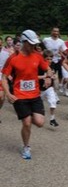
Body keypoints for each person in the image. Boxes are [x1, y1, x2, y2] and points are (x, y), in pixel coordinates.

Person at [2, 29, 53, 159]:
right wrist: (8, 94)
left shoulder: (37, 55)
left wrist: (48, 77)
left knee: (40, 123)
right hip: (20, 95)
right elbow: (4, 78)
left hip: (35, 95)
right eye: (31, 44)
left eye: (35, 44)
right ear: (24, 42)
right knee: (27, 122)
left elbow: (47, 68)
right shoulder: (13, 58)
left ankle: (28, 115)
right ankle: (26, 147)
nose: (34, 47)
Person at [43, 27, 68, 94]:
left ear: (59, 33)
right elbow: (41, 47)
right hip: (49, 61)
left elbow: (65, 50)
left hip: (57, 60)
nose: (55, 33)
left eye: (57, 31)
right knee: (51, 75)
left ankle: (59, 86)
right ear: (52, 32)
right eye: (54, 31)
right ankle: (51, 90)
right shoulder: (46, 40)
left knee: (60, 74)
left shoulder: (61, 41)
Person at [39, 50, 59, 127]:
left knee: (53, 101)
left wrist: (54, 77)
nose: (50, 61)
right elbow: (34, 77)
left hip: (48, 88)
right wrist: (45, 77)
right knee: (38, 107)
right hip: (39, 89)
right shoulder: (39, 67)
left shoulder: (53, 65)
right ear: (43, 59)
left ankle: (52, 119)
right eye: (47, 59)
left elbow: (54, 75)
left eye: (51, 59)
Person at [0, 37, 10, 123]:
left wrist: (9, 74)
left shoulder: (6, 54)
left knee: (2, 97)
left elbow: (8, 66)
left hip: (2, 77)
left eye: (0, 44)